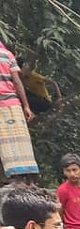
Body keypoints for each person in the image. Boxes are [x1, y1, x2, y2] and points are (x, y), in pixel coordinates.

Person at [0, 42, 38, 183]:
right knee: (20, 141)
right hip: (13, 104)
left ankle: (13, 179)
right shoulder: (8, 55)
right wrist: (26, 106)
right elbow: (17, 82)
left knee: (6, 144)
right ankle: (26, 179)